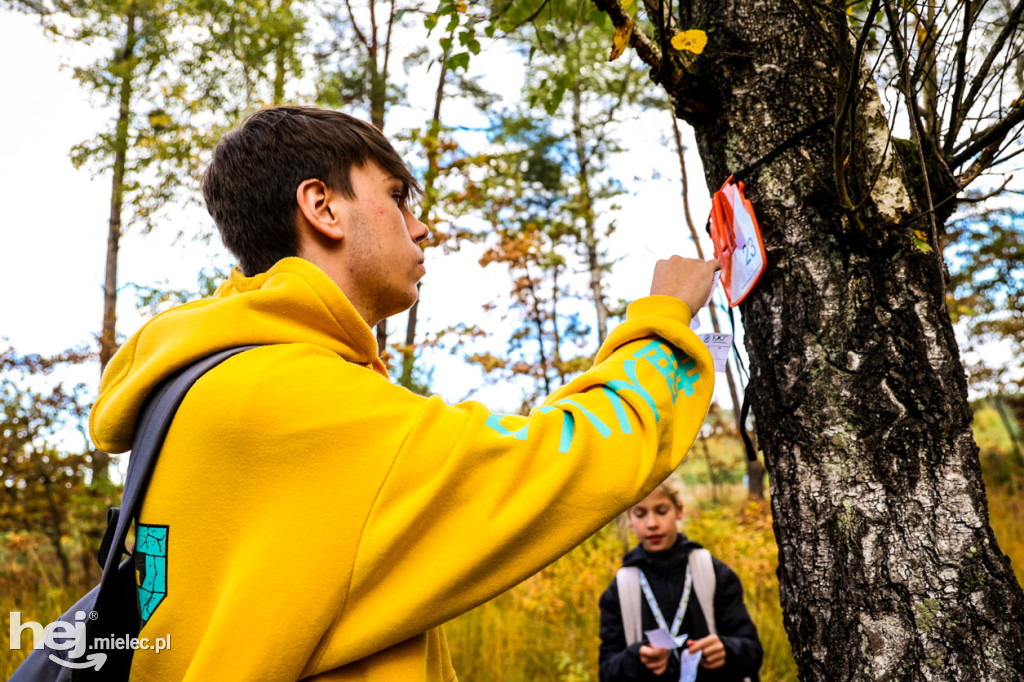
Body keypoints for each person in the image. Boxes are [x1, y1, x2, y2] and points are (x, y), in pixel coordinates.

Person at [89, 105, 721, 681]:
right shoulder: (297, 398)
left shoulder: (206, 383)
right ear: (322, 207)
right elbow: (561, 458)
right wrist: (660, 325)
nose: (423, 229)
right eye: (396, 197)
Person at [598, 479, 763, 681]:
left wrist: (727, 650)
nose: (652, 524)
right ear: (629, 517)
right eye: (640, 514)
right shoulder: (620, 589)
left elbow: (753, 651)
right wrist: (637, 658)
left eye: (661, 511)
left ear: (679, 511)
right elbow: (606, 672)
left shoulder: (713, 573)